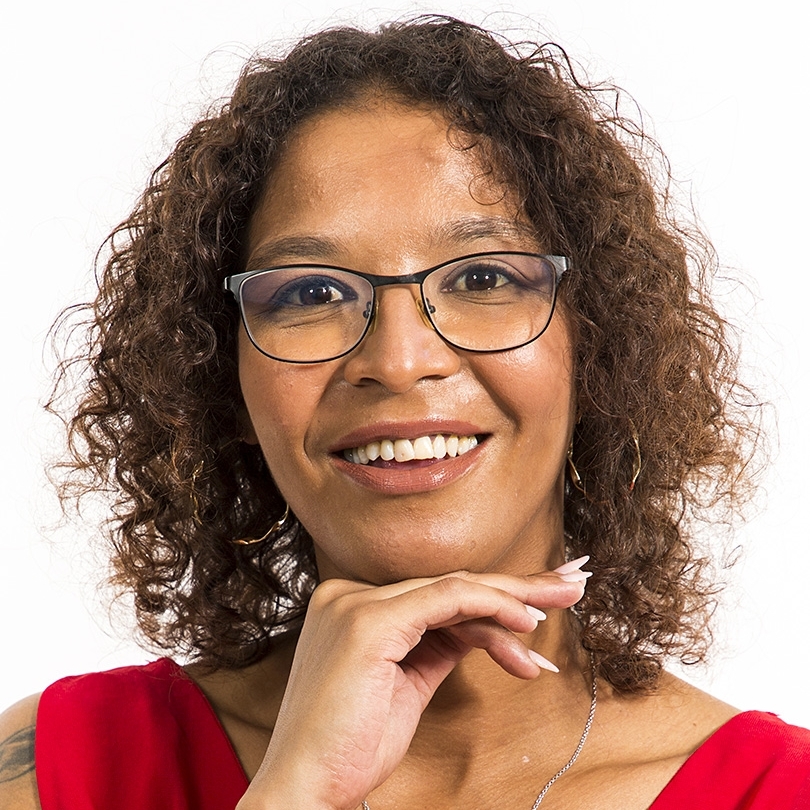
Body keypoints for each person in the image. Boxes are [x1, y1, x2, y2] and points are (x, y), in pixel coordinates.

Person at [1, 15, 808, 810]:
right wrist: (293, 795)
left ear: (594, 350)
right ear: (223, 379)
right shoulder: (63, 771)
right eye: (311, 293)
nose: (397, 360)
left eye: (483, 278)